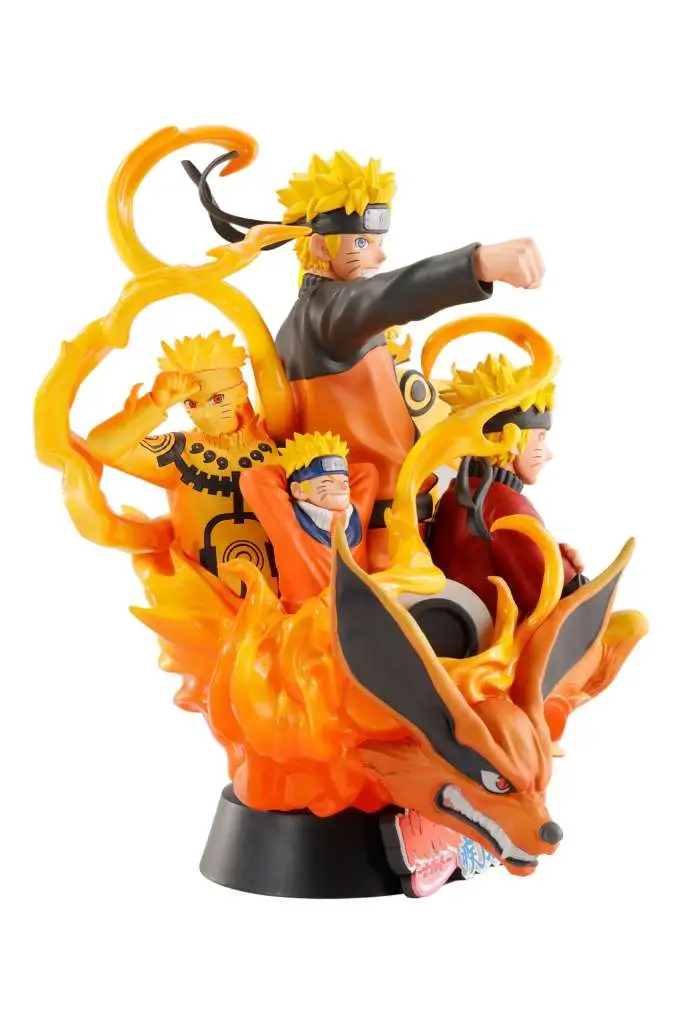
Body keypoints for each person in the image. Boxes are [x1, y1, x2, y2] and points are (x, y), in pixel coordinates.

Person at [83, 331, 279, 594]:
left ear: (242, 391)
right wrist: (155, 404)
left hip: (283, 603)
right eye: (191, 403)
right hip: (206, 602)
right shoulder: (181, 452)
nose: (205, 412)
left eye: (217, 398)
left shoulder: (277, 447)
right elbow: (102, 447)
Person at [428, 353, 586, 619]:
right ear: (510, 438)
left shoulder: (455, 494)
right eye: (540, 437)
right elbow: (547, 591)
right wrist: (574, 577)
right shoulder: (504, 504)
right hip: (496, 632)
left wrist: (556, 554)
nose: (547, 453)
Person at [240, 432, 377, 612]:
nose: (344, 486)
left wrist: (331, 464)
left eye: (345, 480)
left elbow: (368, 472)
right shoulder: (287, 520)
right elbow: (254, 478)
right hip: (303, 617)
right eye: (328, 482)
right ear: (298, 490)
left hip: (357, 612)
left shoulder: (357, 513)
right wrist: (292, 467)